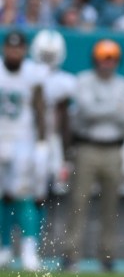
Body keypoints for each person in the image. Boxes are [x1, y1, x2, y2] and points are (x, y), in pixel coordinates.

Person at [64, 39, 124, 272]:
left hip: (114, 148)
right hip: (87, 146)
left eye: (112, 58)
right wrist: (113, 109)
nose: (107, 63)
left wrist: (100, 109)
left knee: (111, 205)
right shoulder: (83, 79)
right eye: (103, 58)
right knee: (78, 202)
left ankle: (107, 255)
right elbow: (86, 111)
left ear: (118, 61)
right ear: (95, 59)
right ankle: (71, 254)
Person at [0, 31, 46, 271]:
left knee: (24, 195)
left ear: (25, 50)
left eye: (18, 48)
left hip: (22, 142)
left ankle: (29, 248)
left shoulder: (32, 74)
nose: (14, 52)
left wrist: (42, 142)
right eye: (10, 47)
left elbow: (40, 109)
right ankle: (4, 247)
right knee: (2, 197)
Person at [30, 30, 76, 246]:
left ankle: (38, 240)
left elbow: (64, 120)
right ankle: (12, 242)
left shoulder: (65, 81)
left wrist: (66, 154)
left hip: (51, 141)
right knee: (16, 190)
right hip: (25, 137)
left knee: (48, 193)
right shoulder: (25, 74)